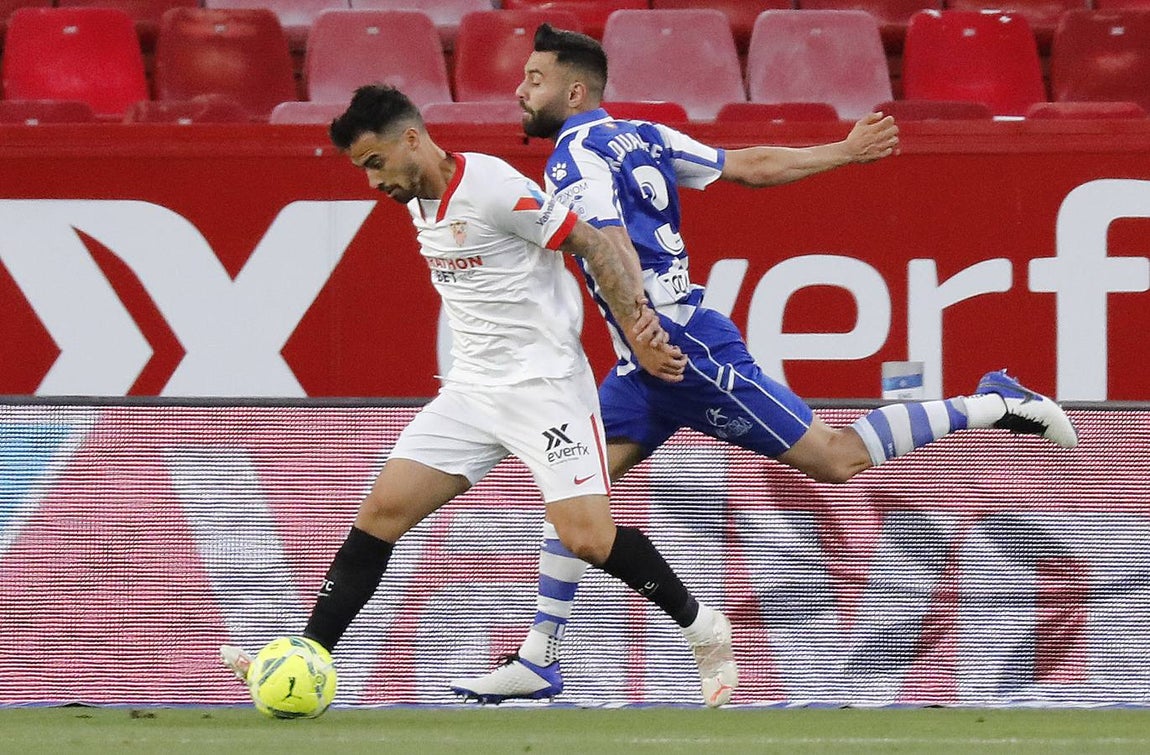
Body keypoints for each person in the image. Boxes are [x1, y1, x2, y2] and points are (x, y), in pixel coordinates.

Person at [448, 23, 1079, 704]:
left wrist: (640, 323)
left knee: (836, 459)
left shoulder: (575, 160)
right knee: (575, 494)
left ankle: (995, 401)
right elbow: (747, 166)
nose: (519, 89)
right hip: (645, 363)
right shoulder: (645, 135)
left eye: (534, 80)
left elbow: (608, 244)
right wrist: (842, 151)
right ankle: (541, 657)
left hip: (681, 351)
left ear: (574, 91)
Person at [219, 83, 741, 708]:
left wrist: (638, 327)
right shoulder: (418, 200)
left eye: (375, 164)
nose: (372, 183)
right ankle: (303, 658)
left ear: (412, 139)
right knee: (383, 512)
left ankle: (703, 627)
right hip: (470, 392)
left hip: (545, 388)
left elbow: (595, 244)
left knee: (586, 537)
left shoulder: (493, 187)